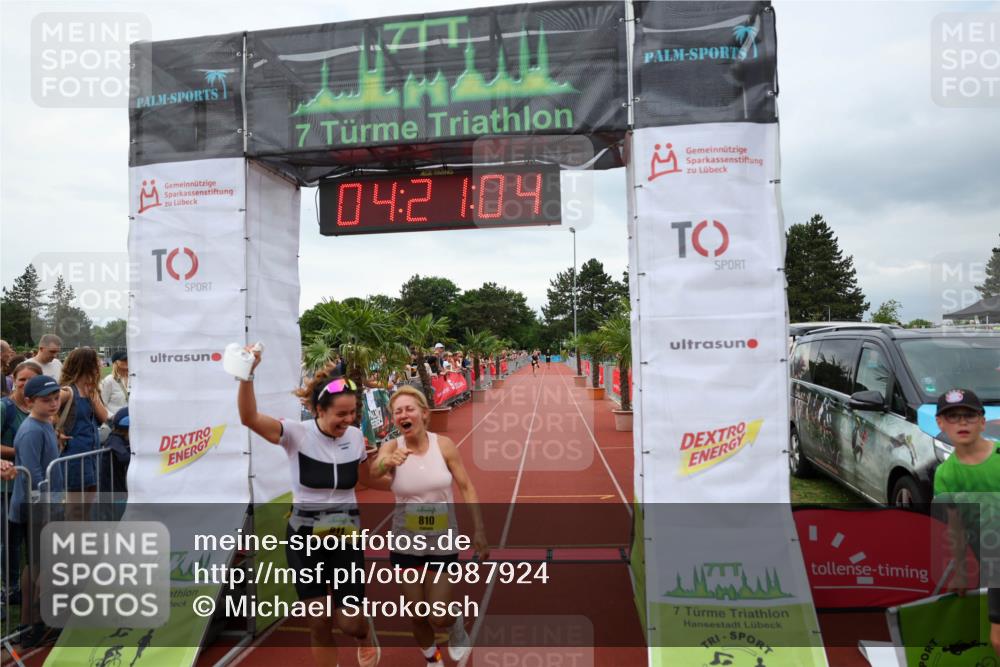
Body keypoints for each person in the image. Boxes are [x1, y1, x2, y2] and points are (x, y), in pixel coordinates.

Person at [237, 348, 382, 667]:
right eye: (341, 414)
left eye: (353, 413)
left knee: (349, 623)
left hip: (345, 540)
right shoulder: (295, 434)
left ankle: (364, 634)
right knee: (318, 622)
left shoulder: (356, 438)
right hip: (304, 540)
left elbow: (365, 481)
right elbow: (248, 417)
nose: (349, 420)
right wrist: (247, 375)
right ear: (319, 409)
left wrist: (404, 474)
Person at [371, 385, 489, 667]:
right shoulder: (392, 447)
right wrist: (386, 460)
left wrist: (480, 530)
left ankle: (454, 623)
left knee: (438, 614)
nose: (403, 414)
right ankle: (432, 659)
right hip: (405, 541)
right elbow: (373, 471)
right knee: (416, 613)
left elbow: (466, 486)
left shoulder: (443, 445)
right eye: (397, 411)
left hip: (442, 539)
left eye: (409, 408)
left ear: (424, 414)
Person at [931, 388, 1000, 655]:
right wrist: (960, 570)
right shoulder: (946, 475)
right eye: (953, 417)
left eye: (969, 416)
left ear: (982, 421)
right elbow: (955, 527)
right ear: (940, 423)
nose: (961, 423)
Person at [10, 374, 65, 648]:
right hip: (36, 508)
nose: (54, 404)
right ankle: (33, 622)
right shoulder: (32, 430)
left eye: (56, 398)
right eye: (47, 400)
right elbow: (32, 474)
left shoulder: (44, 423)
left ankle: (36, 621)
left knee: (39, 564)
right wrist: (47, 508)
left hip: (44, 505)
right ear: (30, 401)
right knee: (40, 566)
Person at [57, 347, 109, 507]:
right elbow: (42, 408)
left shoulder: (92, 391)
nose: (100, 364)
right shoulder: (67, 392)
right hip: (74, 455)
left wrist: (94, 398)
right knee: (75, 506)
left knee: (88, 505)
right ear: (87, 365)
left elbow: (104, 417)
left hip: (92, 455)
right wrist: (56, 429)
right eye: (97, 361)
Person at [100, 352, 129, 418]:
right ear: (116, 363)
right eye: (124, 360)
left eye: (127, 359)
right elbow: (102, 405)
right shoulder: (109, 380)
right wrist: (113, 417)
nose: (127, 361)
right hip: (116, 422)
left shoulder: (134, 378)